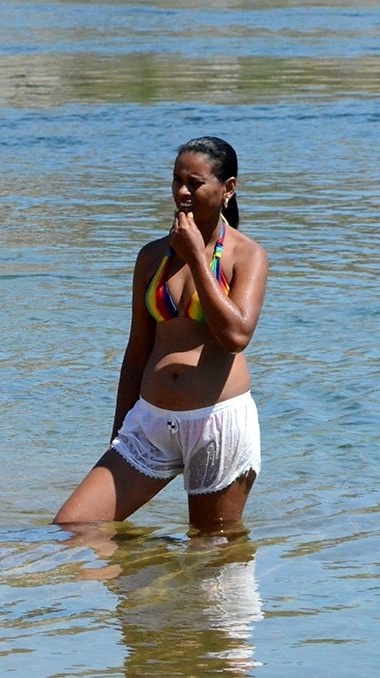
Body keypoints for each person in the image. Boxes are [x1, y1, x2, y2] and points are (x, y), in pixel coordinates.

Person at [55, 137, 268, 533]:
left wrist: (196, 260)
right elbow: (137, 351)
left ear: (228, 188)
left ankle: (175, 591)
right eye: (176, 181)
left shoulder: (246, 255)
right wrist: (119, 431)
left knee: (210, 552)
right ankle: (151, 588)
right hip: (151, 423)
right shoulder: (152, 257)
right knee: (75, 528)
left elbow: (236, 336)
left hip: (216, 424)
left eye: (195, 182)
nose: (182, 192)